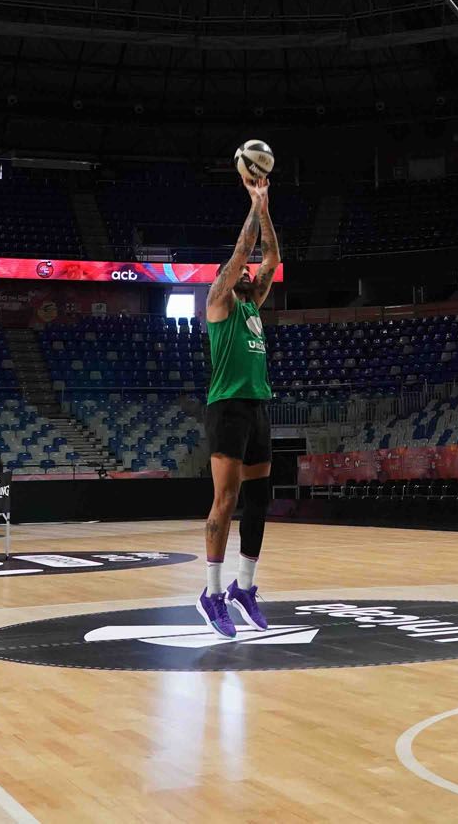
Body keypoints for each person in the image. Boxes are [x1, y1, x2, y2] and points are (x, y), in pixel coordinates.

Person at [196, 169, 280, 637]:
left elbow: (271, 256)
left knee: (258, 502)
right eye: (239, 272)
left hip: (256, 407)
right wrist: (253, 203)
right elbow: (242, 254)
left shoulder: (252, 304)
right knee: (225, 501)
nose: (248, 272)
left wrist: (265, 209)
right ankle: (210, 595)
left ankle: (243, 588)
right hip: (226, 407)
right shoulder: (218, 301)